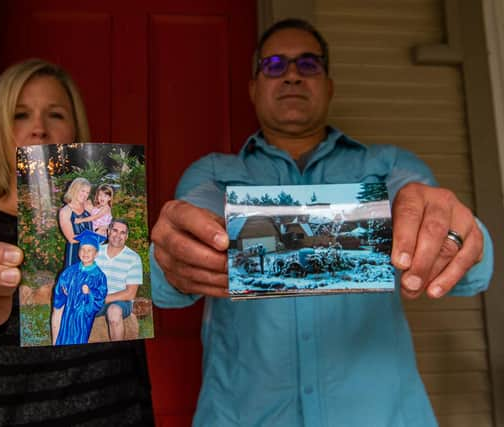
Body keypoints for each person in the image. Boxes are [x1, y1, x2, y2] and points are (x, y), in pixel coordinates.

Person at [150, 19, 494, 426]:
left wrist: (458, 232)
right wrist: (169, 255)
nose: (292, 75)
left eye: (308, 65)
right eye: (274, 65)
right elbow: (164, 276)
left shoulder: (389, 169)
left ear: (329, 85)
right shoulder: (213, 176)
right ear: (253, 88)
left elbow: (465, 258)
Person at [0, 59, 154, 426]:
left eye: (55, 114)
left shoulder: (119, 220)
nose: (38, 129)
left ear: (75, 131)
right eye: (20, 115)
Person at [52, 230, 107, 345]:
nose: (85, 253)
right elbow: (60, 286)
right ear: (78, 251)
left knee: (79, 337)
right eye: (82, 249)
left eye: (89, 250)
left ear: (96, 254)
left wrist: (90, 293)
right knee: (64, 335)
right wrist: (62, 290)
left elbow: (100, 297)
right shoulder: (70, 270)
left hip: (83, 316)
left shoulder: (99, 276)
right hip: (68, 312)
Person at [95, 219, 143, 341]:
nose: (118, 236)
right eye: (115, 231)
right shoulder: (96, 252)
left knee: (114, 311)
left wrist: (104, 299)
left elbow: (130, 293)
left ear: (126, 236)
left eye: (122, 233)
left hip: (121, 302)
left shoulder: (133, 258)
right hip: (97, 297)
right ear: (108, 232)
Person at [59, 177, 93, 266]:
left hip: (90, 253)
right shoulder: (65, 211)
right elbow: (71, 239)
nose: (85, 195)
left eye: (87, 192)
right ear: (74, 190)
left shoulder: (88, 207)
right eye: (82, 191)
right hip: (75, 253)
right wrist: (91, 237)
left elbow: (100, 223)